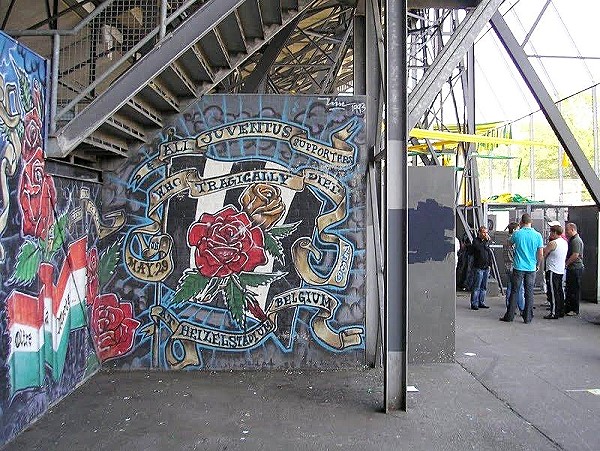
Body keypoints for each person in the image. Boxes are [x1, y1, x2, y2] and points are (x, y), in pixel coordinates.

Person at [500, 214, 543, 323]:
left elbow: (509, 244)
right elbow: (540, 253)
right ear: (531, 222)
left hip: (518, 266)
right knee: (529, 292)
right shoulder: (538, 235)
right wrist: (538, 264)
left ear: (521, 222)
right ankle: (527, 317)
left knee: (515, 291)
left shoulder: (517, 234)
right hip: (531, 267)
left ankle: (509, 316)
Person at [543, 224, 568, 319]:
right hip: (560, 269)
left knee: (553, 292)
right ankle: (561, 310)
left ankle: (554, 312)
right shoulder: (564, 242)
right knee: (559, 291)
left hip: (552, 270)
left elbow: (544, 253)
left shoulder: (553, 243)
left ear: (554, 233)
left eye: (551, 232)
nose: (550, 234)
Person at [468, 226, 492, 310]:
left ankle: (481, 302)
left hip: (486, 267)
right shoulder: (476, 241)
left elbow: (489, 253)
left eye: (486, 232)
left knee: (484, 286)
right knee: (476, 286)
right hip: (478, 267)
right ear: (479, 233)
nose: (485, 234)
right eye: (484, 232)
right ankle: (474, 303)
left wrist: (490, 265)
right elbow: (479, 249)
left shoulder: (487, 242)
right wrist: (485, 241)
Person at [503, 222, 524, 313]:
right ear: (515, 230)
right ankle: (522, 308)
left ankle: (510, 307)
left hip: (507, 265)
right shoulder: (514, 241)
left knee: (510, 287)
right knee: (519, 288)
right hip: (514, 266)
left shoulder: (506, 240)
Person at [564, 222, 584, 316]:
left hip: (575, 267)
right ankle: (569, 307)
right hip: (573, 267)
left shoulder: (576, 240)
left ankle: (574, 309)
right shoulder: (572, 239)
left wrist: (566, 263)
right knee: (570, 288)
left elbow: (575, 255)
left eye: (567, 230)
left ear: (572, 229)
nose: (566, 233)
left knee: (574, 289)